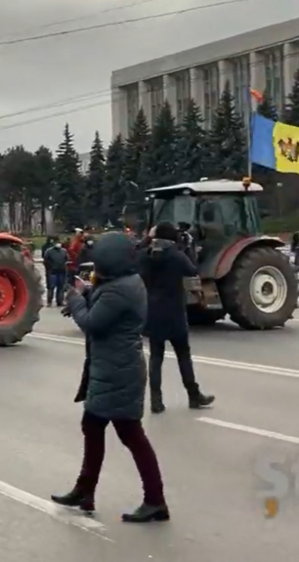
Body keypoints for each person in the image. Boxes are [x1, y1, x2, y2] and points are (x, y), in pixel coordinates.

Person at [52, 231, 168, 523]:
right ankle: (85, 490)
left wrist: (77, 300)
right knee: (92, 426)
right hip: (114, 369)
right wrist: (88, 294)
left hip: (119, 372)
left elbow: (94, 323)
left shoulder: (119, 290)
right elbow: (103, 301)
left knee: (131, 435)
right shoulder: (127, 281)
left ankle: (155, 500)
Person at [140, 222, 214, 414]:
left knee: (156, 357)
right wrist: (187, 248)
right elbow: (192, 270)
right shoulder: (176, 255)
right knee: (183, 355)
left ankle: (156, 401)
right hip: (174, 312)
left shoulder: (146, 255)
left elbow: (137, 267)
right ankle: (194, 395)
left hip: (153, 311)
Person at [43, 238, 70, 307]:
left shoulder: (64, 251)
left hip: (61, 272)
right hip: (52, 272)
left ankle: (60, 301)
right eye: (57, 243)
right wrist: (50, 268)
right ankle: (49, 302)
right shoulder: (49, 251)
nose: (59, 244)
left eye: (59, 242)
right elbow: (45, 261)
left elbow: (67, 259)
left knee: (60, 287)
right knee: (51, 287)